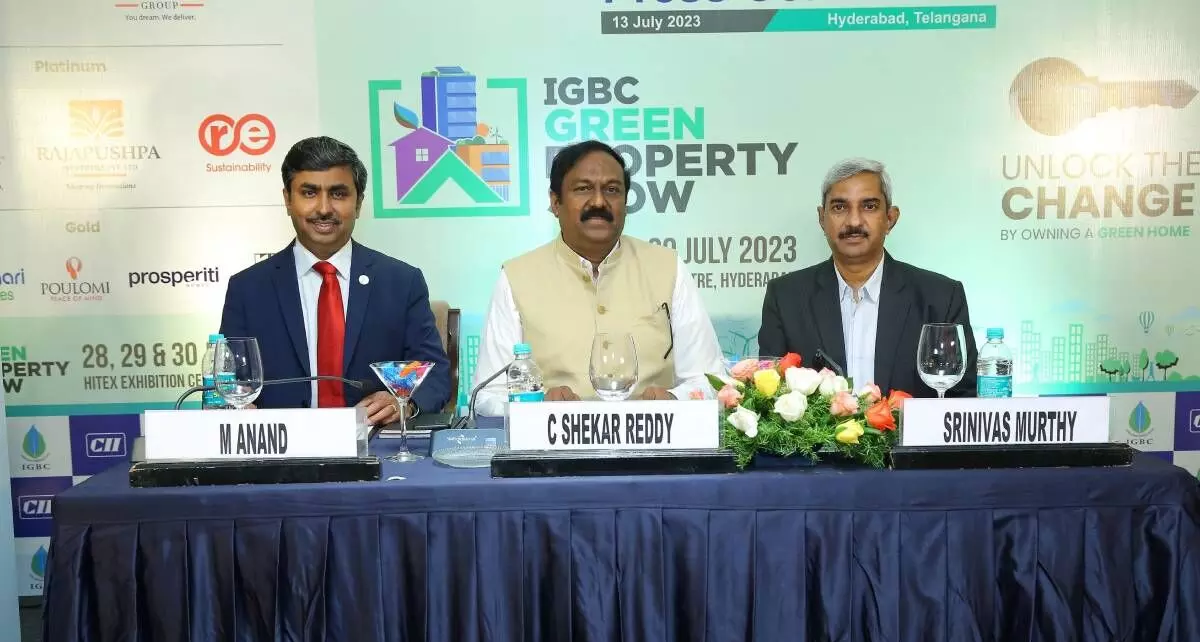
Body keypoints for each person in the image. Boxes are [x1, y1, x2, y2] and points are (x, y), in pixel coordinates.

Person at [472, 140, 726, 416]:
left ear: (626, 203)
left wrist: (674, 400)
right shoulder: (517, 276)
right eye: (583, 189)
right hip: (552, 453)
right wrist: (538, 406)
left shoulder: (667, 267)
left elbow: (711, 381)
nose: (598, 202)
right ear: (555, 202)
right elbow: (488, 397)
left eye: (612, 190)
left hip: (654, 449)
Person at [219, 136, 451, 421]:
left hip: (376, 449)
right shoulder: (248, 289)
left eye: (338, 194)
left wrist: (403, 402)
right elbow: (229, 383)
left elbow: (435, 376)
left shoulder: (401, 282)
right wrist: (235, 408)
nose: (324, 208)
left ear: (359, 202)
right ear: (287, 200)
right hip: (282, 453)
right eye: (309, 192)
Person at [757, 157, 977, 397]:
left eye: (869, 206)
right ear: (822, 218)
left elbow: (962, 399)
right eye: (839, 207)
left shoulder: (940, 297)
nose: (854, 221)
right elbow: (769, 397)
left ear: (890, 218)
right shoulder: (786, 297)